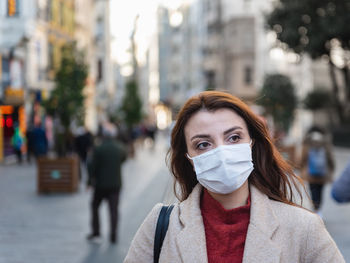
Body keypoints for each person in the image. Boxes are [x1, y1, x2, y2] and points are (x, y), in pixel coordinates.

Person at [124, 91, 344, 262]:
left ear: (252, 143)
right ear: (189, 158)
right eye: (203, 144)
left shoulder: (304, 229)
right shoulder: (160, 226)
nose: (221, 152)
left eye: (233, 137)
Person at [87, 124, 127, 244]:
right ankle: (113, 235)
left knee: (95, 206)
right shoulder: (120, 148)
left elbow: (91, 166)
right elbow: (124, 159)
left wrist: (89, 181)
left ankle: (96, 232)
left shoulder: (99, 148)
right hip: (115, 184)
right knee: (114, 210)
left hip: (100, 185)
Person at [300, 126, 335, 215]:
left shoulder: (307, 142)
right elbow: (330, 158)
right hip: (323, 173)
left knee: (313, 190)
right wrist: (332, 168)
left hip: (310, 173)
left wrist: (300, 166)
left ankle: (315, 208)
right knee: (320, 191)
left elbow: (303, 157)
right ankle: (319, 209)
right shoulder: (325, 143)